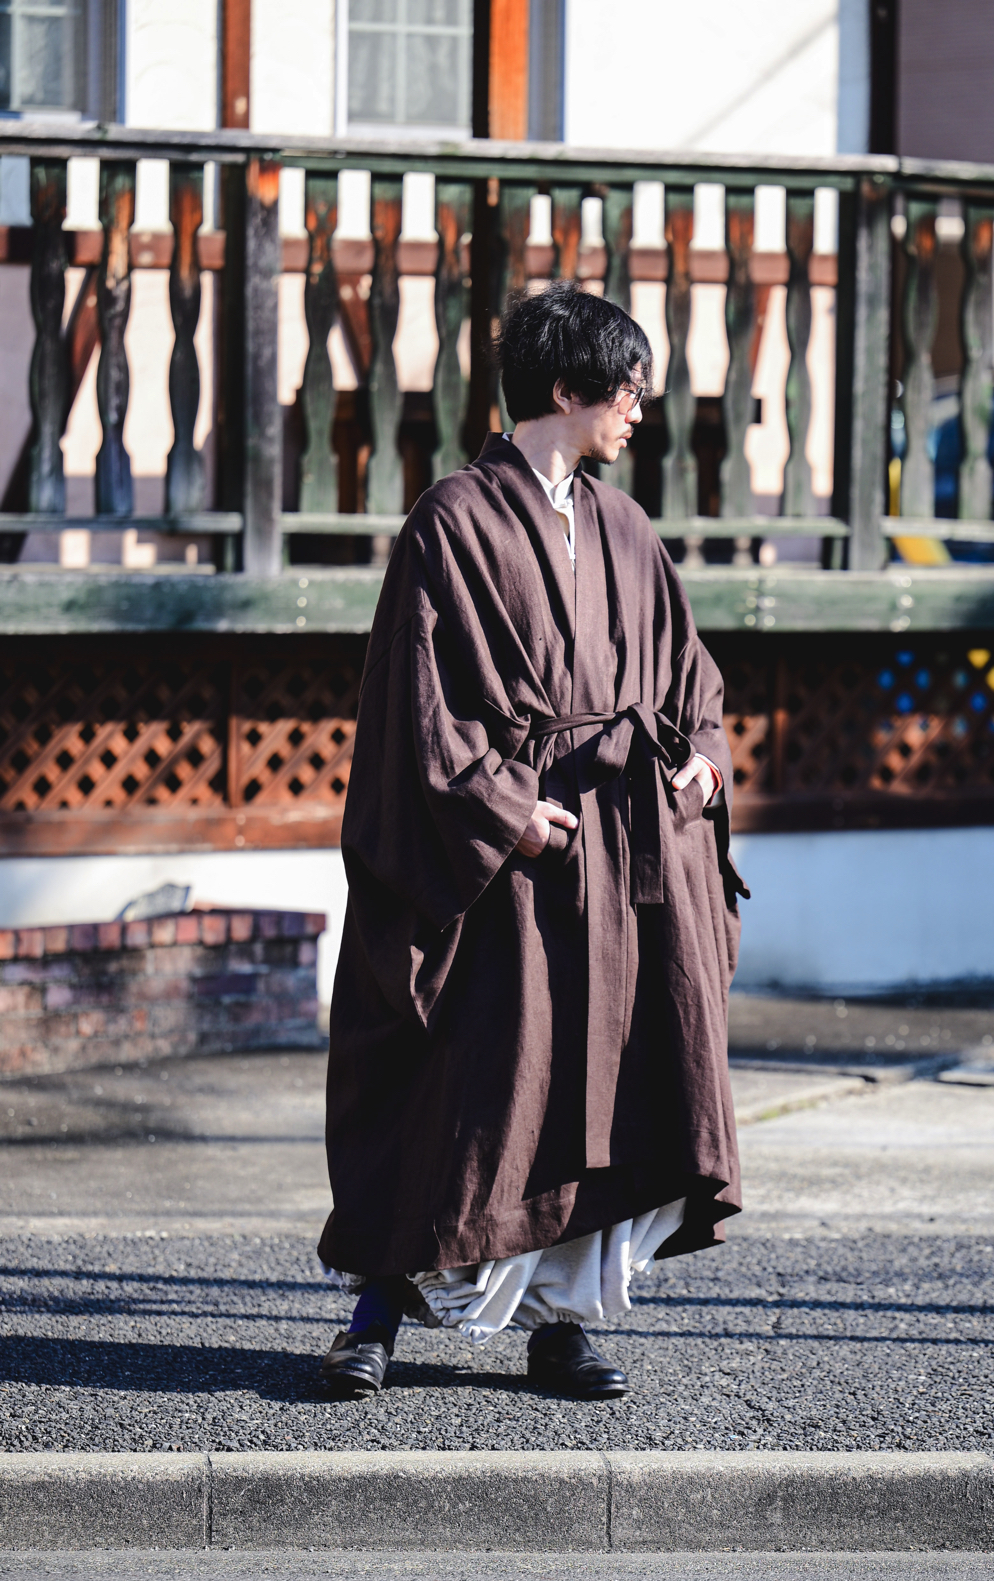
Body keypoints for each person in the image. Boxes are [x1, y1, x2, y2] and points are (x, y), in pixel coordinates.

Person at [317, 282, 747, 1400]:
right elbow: (414, 704)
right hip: (508, 859)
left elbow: (689, 674)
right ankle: (376, 1309)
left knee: (606, 1084)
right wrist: (503, 812)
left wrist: (704, 756)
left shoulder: (625, 527)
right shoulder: (451, 520)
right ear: (566, 390)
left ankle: (563, 1326)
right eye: (628, 389)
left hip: (620, 852)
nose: (640, 410)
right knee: (464, 1084)